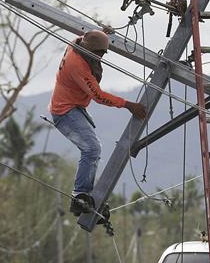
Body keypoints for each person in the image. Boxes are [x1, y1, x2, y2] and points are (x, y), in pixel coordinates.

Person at [49, 29, 147, 217]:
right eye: (98, 52)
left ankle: (85, 194)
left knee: (93, 149)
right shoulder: (78, 66)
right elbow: (99, 96)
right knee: (92, 149)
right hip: (65, 111)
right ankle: (80, 196)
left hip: (73, 106)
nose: (100, 56)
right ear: (89, 50)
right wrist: (128, 105)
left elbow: (88, 37)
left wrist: (101, 34)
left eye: (102, 52)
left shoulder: (78, 42)